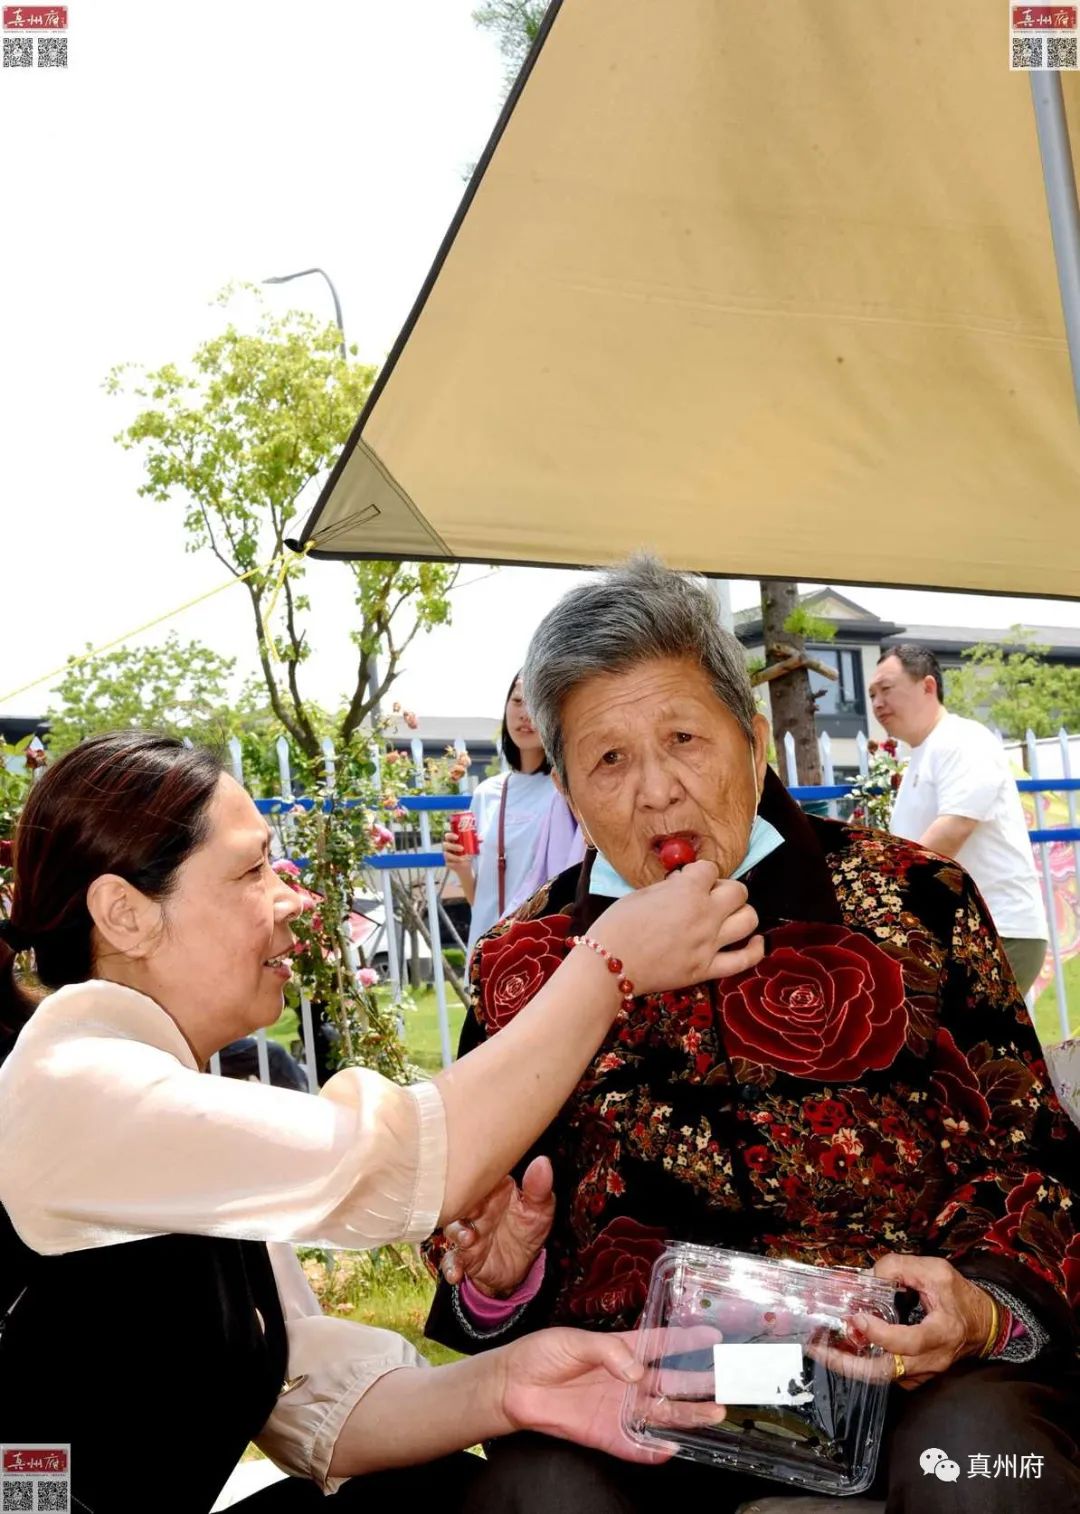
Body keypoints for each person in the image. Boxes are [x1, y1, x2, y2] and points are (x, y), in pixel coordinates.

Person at [424, 558, 1080, 1514]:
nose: (656, 792)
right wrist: (501, 1281)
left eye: (684, 738)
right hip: (646, 1395)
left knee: (980, 1466)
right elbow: (478, 1230)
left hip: (915, 1384)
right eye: (608, 760)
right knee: (539, 1491)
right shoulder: (524, 963)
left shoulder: (913, 899)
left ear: (755, 738)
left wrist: (975, 1308)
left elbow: (1034, 1161)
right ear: (565, 789)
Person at [0, 730, 762, 1514]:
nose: (293, 898)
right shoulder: (77, 1082)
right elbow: (403, 1159)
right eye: (254, 868)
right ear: (125, 914)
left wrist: (512, 1382)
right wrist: (608, 966)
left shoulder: (169, 1103)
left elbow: (309, 1398)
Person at [869, 644, 1049, 997]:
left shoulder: (962, 740)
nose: (877, 703)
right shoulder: (921, 757)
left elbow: (953, 829)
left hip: (998, 930)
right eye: (872, 694)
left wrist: (881, 886)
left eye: (887, 689)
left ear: (927, 686)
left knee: (971, 1047)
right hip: (955, 935)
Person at [444, 671, 584, 960]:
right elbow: (480, 900)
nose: (525, 713)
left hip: (540, 951)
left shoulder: (566, 792)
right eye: (518, 701)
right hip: (487, 951)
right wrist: (461, 869)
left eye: (535, 702)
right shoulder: (487, 793)